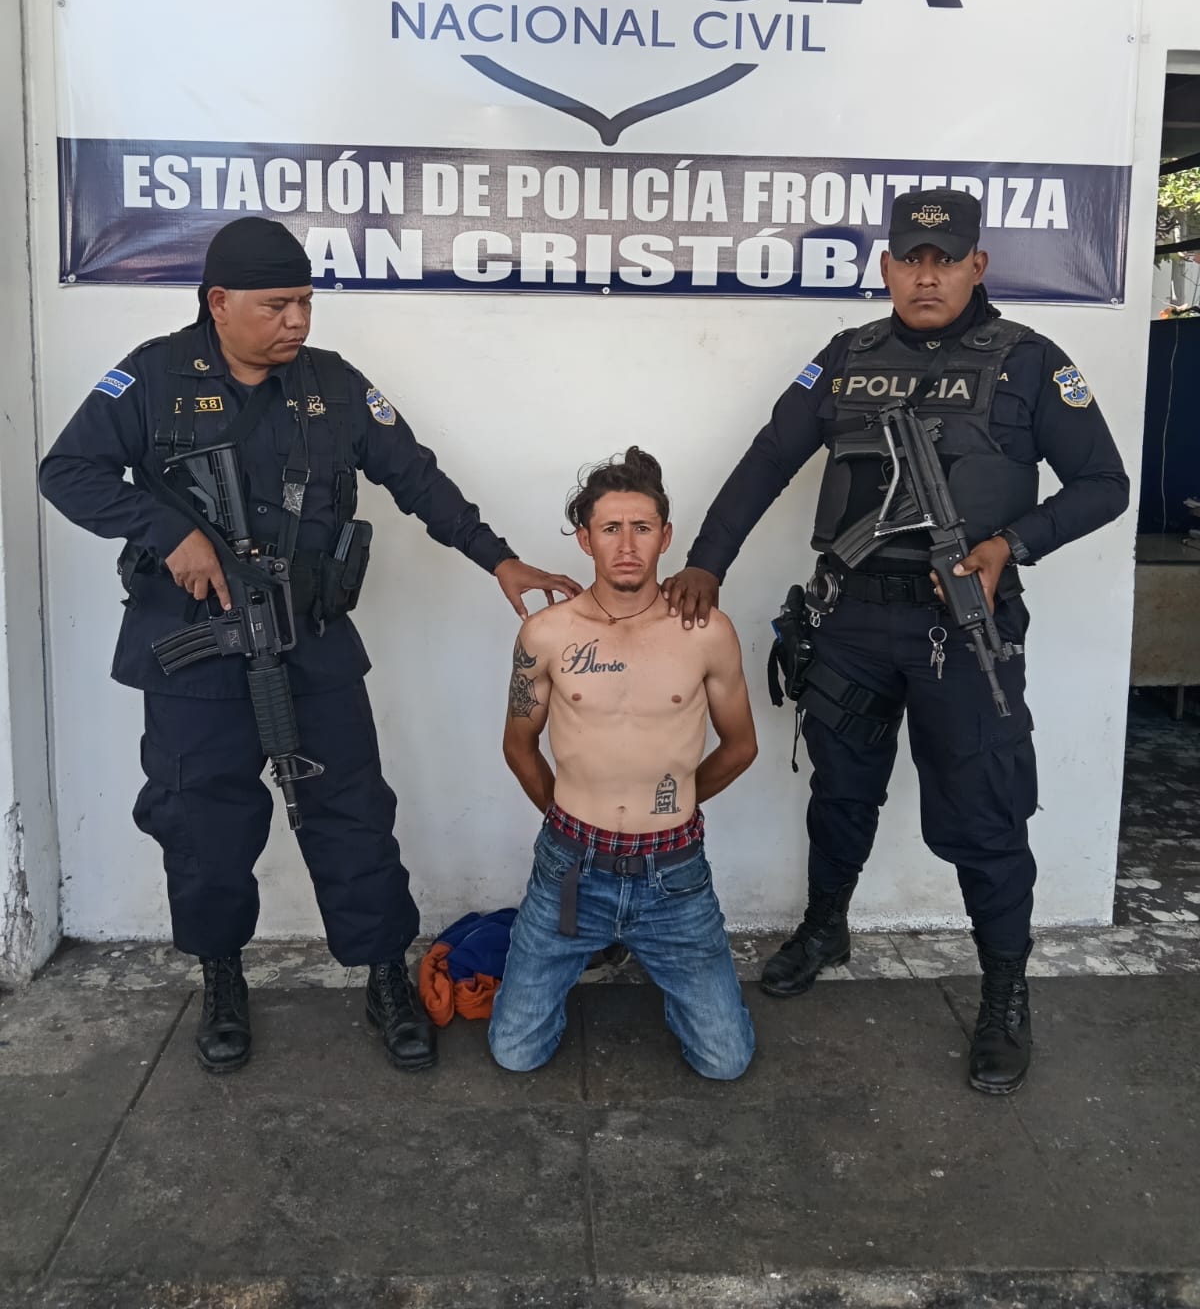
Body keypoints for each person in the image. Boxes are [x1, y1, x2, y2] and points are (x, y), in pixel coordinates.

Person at [39, 217, 580, 1076]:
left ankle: (383, 974)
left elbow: (416, 476)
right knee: (203, 825)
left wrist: (498, 559)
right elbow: (65, 471)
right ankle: (222, 976)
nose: (296, 320)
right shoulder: (152, 377)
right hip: (193, 649)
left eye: (305, 302)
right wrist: (167, 532)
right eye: (277, 305)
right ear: (219, 302)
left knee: (353, 814)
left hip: (311, 641)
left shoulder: (333, 385)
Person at [662, 188, 1129, 1095]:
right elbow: (768, 458)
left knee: (985, 816)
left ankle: (1004, 994)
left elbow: (1104, 484)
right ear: (885, 267)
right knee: (841, 790)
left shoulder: (1031, 362)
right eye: (910, 258)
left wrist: (1008, 546)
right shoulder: (846, 358)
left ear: (977, 266)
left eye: (945, 260)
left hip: (964, 629)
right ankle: (825, 927)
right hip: (851, 622)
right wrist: (707, 562)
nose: (926, 275)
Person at [489, 447, 758, 1081]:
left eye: (642, 527)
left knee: (725, 1061)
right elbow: (519, 745)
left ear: (666, 536)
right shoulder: (547, 633)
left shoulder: (707, 631)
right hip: (570, 870)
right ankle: (580, 952)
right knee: (515, 1052)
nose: (628, 545)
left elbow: (740, 746)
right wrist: (567, 817)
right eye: (610, 528)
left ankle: (659, 965)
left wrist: (676, 796)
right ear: (586, 540)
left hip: (674, 875)